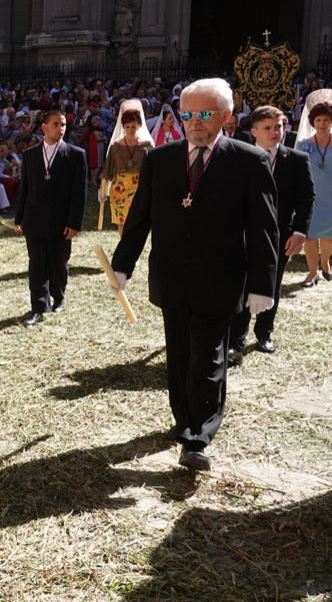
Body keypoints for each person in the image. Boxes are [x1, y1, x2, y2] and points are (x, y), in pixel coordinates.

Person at [111, 78, 278, 472]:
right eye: (187, 114)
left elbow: (264, 228)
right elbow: (140, 217)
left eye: (204, 115)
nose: (195, 123)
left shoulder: (247, 161)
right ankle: (182, 418)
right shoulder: (162, 159)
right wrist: (122, 263)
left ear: (225, 117)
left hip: (220, 279)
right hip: (172, 277)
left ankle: (197, 435)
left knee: (207, 354)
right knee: (180, 354)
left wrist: (261, 283)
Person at [229, 105, 314, 359]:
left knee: (272, 281)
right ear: (254, 131)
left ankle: (264, 333)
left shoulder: (296, 160)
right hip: (244, 233)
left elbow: (306, 198)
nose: (275, 132)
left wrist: (300, 231)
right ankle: (236, 338)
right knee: (242, 283)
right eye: (267, 128)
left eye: (279, 126)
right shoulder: (239, 157)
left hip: (281, 235)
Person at [14, 110, 88, 326]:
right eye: (56, 124)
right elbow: (24, 189)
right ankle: (38, 306)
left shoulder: (75, 155)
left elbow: (79, 192)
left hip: (61, 220)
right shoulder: (30, 155)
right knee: (37, 264)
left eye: (63, 124)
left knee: (58, 261)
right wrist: (20, 218)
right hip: (34, 219)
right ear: (44, 127)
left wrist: (74, 223)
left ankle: (59, 297)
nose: (61, 128)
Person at [294, 92, 332, 287]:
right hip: (310, 196)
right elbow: (296, 173)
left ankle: (325, 264)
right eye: (318, 120)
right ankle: (312, 273)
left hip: (331, 196)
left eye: (326, 120)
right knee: (309, 236)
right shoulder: (303, 145)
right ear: (312, 122)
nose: (322, 123)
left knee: (329, 237)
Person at [99, 99, 153, 236]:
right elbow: (107, 170)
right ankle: (124, 248)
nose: (130, 130)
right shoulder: (115, 146)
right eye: (127, 127)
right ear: (123, 126)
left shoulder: (147, 145)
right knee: (122, 221)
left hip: (139, 187)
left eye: (133, 127)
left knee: (139, 220)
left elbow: (153, 170)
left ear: (139, 126)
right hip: (119, 189)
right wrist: (103, 190)